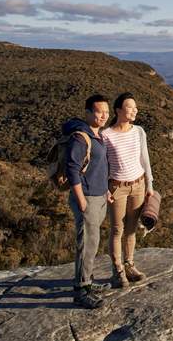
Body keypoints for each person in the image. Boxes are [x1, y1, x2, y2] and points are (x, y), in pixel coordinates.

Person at [63, 94, 111, 308]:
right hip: (87, 198)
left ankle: (87, 283)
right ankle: (81, 290)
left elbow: (98, 167)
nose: (104, 116)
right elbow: (72, 169)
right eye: (100, 111)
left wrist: (106, 191)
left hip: (99, 195)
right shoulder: (80, 137)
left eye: (107, 112)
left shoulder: (97, 135)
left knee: (93, 242)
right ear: (88, 112)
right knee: (86, 245)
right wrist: (81, 199)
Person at [103, 92, 154, 288]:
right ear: (118, 111)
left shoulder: (139, 131)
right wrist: (104, 189)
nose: (135, 110)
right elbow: (102, 166)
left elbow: (145, 159)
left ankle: (130, 265)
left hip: (138, 185)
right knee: (117, 230)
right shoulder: (106, 136)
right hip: (117, 188)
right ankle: (117, 271)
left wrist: (149, 184)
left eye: (135, 107)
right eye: (130, 107)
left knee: (131, 229)